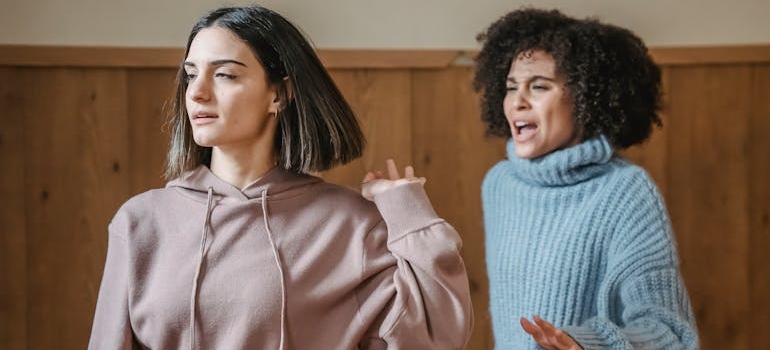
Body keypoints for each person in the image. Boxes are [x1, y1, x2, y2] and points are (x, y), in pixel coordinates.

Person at [88, 5, 472, 350]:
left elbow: (438, 338)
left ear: (280, 94)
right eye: (190, 76)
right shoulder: (140, 221)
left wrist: (410, 215)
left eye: (224, 75)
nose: (198, 93)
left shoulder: (350, 225)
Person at [473, 8, 699, 350]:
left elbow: (670, 333)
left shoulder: (626, 192)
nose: (516, 102)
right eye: (510, 87)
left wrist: (586, 343)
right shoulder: (499, 184)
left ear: (585, 98)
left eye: (538, 86)